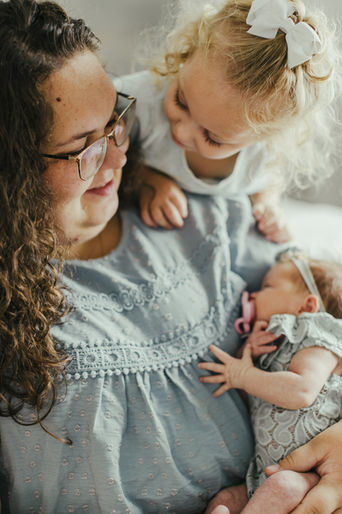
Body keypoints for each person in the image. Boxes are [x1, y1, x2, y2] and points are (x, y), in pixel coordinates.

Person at [0, 1, 342, 513]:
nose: (123, 154)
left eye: (117, 118)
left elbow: (325, 313)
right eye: (83, 147)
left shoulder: (202, 214)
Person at [114, 0, 339, 243]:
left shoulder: (262, 156)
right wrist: (145, 179)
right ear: (189, 52)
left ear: (265, 137)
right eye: (181, 101)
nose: (182, 130)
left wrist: (266, 204)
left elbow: (265, 179)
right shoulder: (136, 102)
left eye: (212, 137)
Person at [199, 252, 342, 513]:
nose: (252, 295)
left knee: (284, 486)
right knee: (225, 501)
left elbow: (302, 391)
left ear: (307, 306)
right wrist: (249, 357)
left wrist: (243, 375)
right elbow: (252, 400)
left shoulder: (318, 339)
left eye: (267, 287)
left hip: (310, 475)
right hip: (264, 472)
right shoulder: (272, 349)